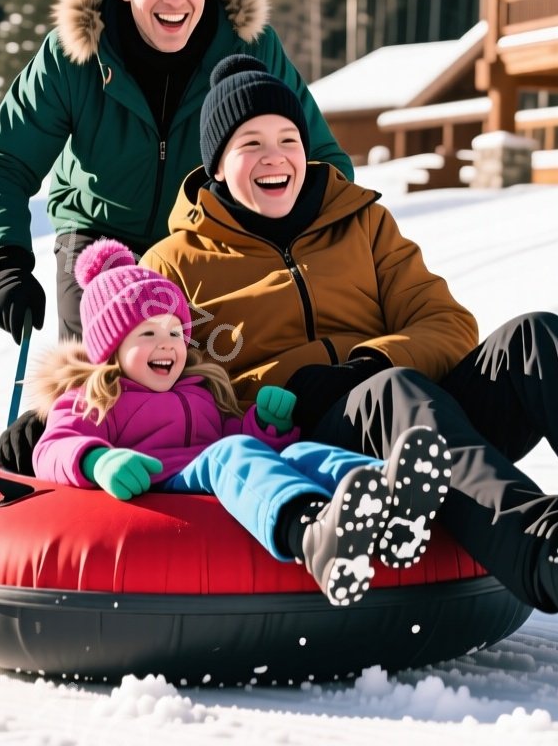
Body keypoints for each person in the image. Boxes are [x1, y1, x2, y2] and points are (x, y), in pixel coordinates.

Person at [5, 55, 558, 671]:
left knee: (532, 338)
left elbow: (447, 323)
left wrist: (365, 358)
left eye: (287, 138)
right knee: (394, 389)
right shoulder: (176, 262)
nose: (274, 158)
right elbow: (132, 369)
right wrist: (48, 427)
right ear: (217, 163)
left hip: (412, 404)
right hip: (314, 438)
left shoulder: (361, 222)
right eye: (250, 142)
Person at [0, 0, 355, 346]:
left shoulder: (251, 49)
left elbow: (322, 160)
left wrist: (294, 239)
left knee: (210, 389)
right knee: (105, 389)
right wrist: (5, 262)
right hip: (97, 242)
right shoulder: (74, 55)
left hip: (207, 241)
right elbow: (1, 161)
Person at [26, 238, 453, 605]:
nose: (167, 345)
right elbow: (52, 447)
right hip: (160, 480)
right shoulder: (94, 395)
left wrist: (265, 427)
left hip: (212, 465)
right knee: (229, 454)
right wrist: (98, 461)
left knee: (296, 451)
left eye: (175, 332)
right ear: (110, 348)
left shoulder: (198, 389)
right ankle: (309, 534)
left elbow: (231, 437)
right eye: (148, 334)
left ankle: (393, 499)